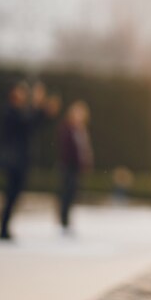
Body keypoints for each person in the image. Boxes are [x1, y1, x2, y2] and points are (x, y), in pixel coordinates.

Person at [0, 81, 60, 241]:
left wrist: (43, 110)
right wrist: (38, 105)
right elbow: (27, 121)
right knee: (11, 193)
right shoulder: (10, 112)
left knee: (15, 194)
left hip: (20, 160)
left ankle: (5, 225)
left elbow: (34, 122)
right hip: (13, 160)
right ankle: (3, 226)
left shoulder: (19, 112)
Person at [57, 100, 93, 234]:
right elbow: (67, 149)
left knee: (72, 193)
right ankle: (63, 221)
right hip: (68, 166)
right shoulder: (67, 128)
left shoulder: (81, 129)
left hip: (76, 166)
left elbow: (84, 149)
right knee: (66, 193)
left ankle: (67, 220)